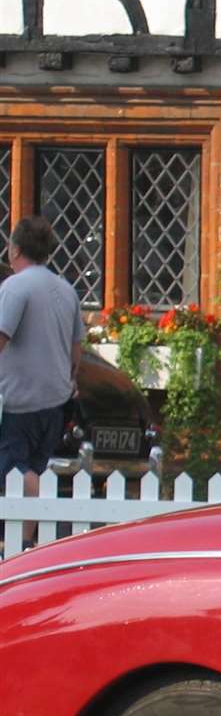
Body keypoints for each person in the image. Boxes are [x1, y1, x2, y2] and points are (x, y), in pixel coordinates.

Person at [0, 217, 85, 537]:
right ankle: (24, 545)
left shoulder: (14, 287)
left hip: (18, 402)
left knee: (15, 473)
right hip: (55, 402)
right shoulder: (66, 290)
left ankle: (19, 545)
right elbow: (76, 349)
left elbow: (1, 335)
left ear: (16, 249)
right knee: (35, 469)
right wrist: (70, 379)